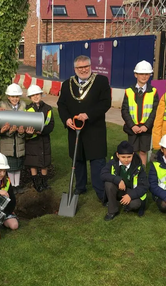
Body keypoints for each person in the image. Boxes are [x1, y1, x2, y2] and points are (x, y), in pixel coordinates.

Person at [57, 55, 111, 201]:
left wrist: (88, 115)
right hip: (75, 130)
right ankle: (80, 187)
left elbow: (105, 103)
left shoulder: (101, 81)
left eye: (86, 66)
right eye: (80, 67)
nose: (83, 70)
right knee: (78, 159)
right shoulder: (67, 84)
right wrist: (67, 119)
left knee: (97, 161)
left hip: (95, 130)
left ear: (90, 66)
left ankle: (101, 191)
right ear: (75, 69)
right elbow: (61, 104)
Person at [121, 60, 159, 167]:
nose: (144, 76)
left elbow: (155, 111)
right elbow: (125, 110)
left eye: (147, 74)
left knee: (143, 151)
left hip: (146, 129)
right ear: (135, 75)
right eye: (141, 74)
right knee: (132, 151)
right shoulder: (129, 91)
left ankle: (141, 174)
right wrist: (132, 125)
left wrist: (146, 126)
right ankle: (133, 172)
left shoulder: (153, 91)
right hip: (132, 128)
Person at [101, 141, 149, 221]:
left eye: (129, 157)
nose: (126, 160)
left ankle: (125, 204)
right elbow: (103, 174)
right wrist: (118, 180)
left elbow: (144, 186)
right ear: (117, 155)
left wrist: (130, 196)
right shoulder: (113, 162)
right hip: (118, 189)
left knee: (135, 204)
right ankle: (112, 211)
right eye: (123, 157)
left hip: (131, 191)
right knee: (108, 184)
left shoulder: (139, 166)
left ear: (133, 154)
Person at [24, 85, 55, 192]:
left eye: (37, 94)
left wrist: (42, 131)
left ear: (41, 95)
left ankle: (44, 182)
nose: (35, 97)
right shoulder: (27, 110)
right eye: (33, 95)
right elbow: (25, 125)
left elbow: (50, 124)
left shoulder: (48, 109)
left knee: (44, 163)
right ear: (30, 97)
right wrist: (28, 133)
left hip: (44, 139)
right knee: (33, 162)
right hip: (32, 141)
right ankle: (36, 183)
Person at [0, 83, 26, 194]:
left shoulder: (23, 109)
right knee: (10, 166)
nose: (15, 99)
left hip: (19, 143)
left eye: (17, 97)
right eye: (12, 97)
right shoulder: (3, 109)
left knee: (18, 166)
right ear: (8, 97)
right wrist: (10, 131)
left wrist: (21, 133)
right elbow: (1, 130)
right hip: (7, 143)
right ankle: (11, 186)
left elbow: (24, 125)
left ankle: (17, 185)